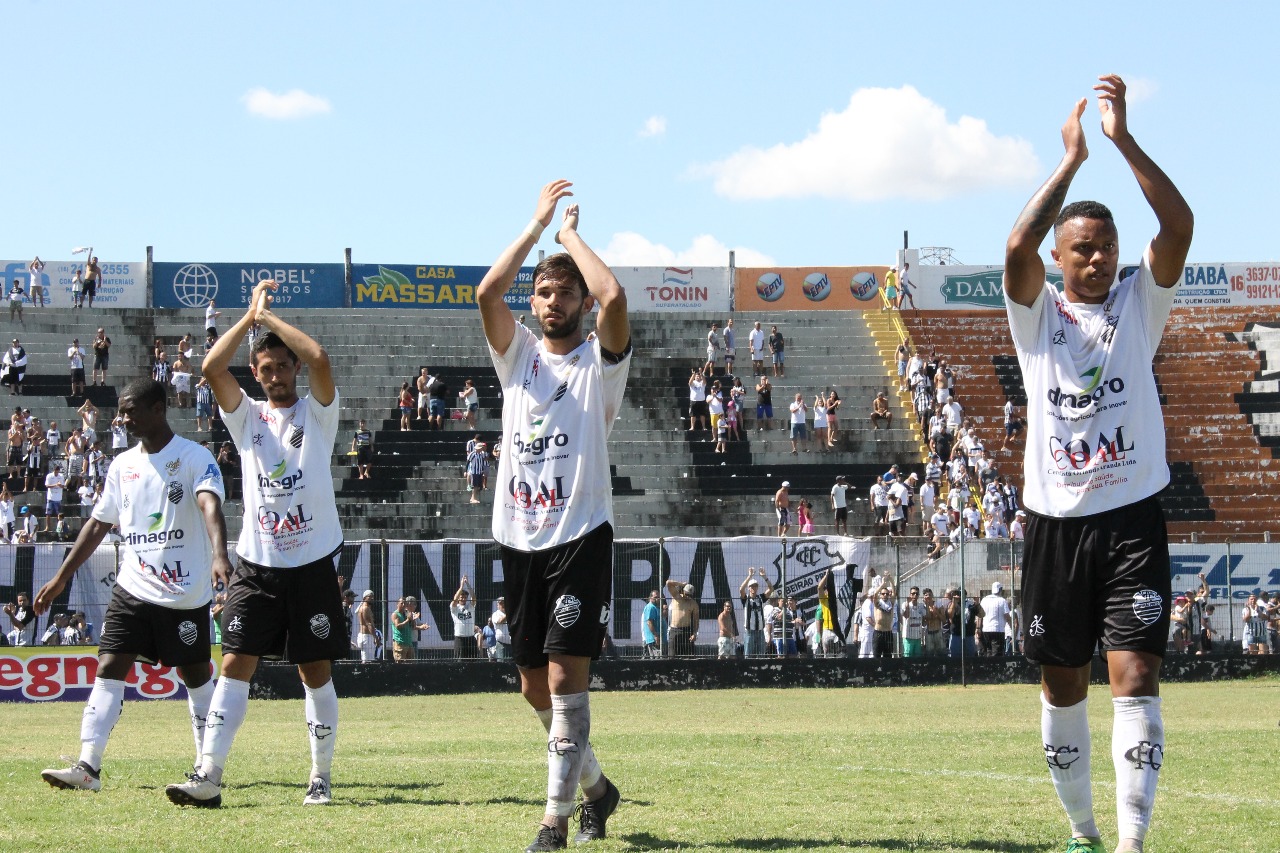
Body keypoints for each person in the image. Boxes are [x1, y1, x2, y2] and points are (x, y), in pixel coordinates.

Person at [1003, 76, 1194, 853]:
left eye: (1107, 248)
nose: (1099, 258)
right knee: (1062, 685)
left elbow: (1178, 225)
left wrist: (1123, 141)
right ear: (1061, 255)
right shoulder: (1037, 312)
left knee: (1136, 678)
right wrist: (1073, 162)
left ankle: (1131, 843)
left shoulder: (1138, 304)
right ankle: (1082, 830)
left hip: (1132, 521)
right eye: (1083, 248)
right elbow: (1015, 248)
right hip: (1055, 526)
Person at [475, 180, 628, 849]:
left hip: (580, 536)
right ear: (533, 302)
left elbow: (616, 298)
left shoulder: (601, 362)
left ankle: (554, 821)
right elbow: (486, 293)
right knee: (532, 686)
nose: (555, 298)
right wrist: (536, 225)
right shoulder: (517, 358)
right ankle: (597, 787)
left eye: (567, 291)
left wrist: (568, 237)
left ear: (580, 302)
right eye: (544, 290)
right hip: (518, 537)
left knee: (566, 680)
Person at [166, 278, 347, 809]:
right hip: (257, 565)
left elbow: (320, 355)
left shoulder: (318, 412)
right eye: (264, 370)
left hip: (312, 562)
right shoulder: (245, 415)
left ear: (293, 370)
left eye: (280, 367)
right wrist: (249, 319)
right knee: (234, 666)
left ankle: (320, 776)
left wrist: (270, 321)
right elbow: (210, 370)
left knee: (315, 673)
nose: (273, 377)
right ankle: (209, 773)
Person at [34, 378, 229, 793]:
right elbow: (99, 523)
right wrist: (61, 576)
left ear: (158, 409)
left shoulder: (194, 457)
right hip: (133, 588)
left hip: (183, 592)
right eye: (122, 411)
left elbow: (210, 503)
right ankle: (88, 765)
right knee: (109, 665)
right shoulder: (122, 465)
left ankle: (207, 766)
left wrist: (218, 553)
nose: (123, 418)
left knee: (196, 676)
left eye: (130, 410)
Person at [738, 569, 773, 658]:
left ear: (757, 587)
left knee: (761, 655)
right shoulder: (746, 599)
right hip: (749, 631)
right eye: (752, 586)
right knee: (748, 655)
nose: (754, 588)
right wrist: (749, 576)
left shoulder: (760, 597)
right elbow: (741, 589)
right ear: (749, 588)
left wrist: (764, 577)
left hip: (760, 631)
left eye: (755, 586)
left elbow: (771, 589)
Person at [665, 579, 699, 658]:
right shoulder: (677, 597)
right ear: (683, 591)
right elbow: (668, 583)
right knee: (672, 656)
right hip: (674, 630)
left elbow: (696, 620)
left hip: (686, 631)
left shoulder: (693, 604)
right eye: (686, 594)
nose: (687, 596)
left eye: (689, 595)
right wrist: (681, 584)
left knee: (687, 656)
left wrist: (694, 633)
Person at [391, 596, 431, 661]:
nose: (403, 605)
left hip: (409, 642)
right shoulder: (395, 614)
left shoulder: (407, 613)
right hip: (400, 642)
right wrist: (408, 619)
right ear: (397, 604)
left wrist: (413, 619)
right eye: (401, 603)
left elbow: (413, 626)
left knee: (412, 662)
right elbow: (398, 626)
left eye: (405, 603)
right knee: (400, 663)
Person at [449, 577, 479, 658]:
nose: (463, 599)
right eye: (461, 597)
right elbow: (454, 600)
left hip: (470, 637)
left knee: (473, 660)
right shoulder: (455, 608)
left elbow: (474, 598)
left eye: (465, 597)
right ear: (459, 598)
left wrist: (468, 584)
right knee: (460, 661)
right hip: (460, 638)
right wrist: (461, 586)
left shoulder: (470, 606)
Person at [979, 582, 1012, 657]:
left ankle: (987, 667)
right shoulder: (1002, 601)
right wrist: (1012, 627)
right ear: (1000, 590)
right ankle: (995, 667)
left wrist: (978, 628)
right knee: (997, 652)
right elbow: (1007, 616)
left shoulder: (984, 600)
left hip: (986, 630)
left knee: (988, 650)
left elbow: (979, 615)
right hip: (998, 630)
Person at [356, 590, 378, 661]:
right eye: (370, 596)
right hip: (366, 637)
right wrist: (375, 637)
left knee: (368, 659)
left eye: (372, 597)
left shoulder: (367, 608)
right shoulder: (365, 608)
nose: (372, 598)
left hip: (367, 636)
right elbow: (369, 624)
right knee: (367, 660)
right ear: (364, 598)